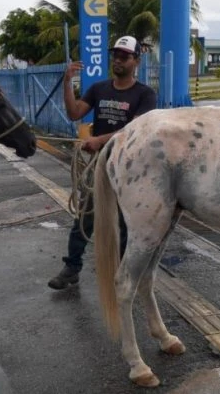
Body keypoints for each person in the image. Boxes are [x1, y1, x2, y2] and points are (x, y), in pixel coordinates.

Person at [48, 36, 157, 290]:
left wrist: (100, 140)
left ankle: (123, 273)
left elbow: (134, 130)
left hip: (129, 169)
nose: (118, 60)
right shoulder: (99, 89)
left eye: (124, 56)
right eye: (115, 55)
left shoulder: (145, 94)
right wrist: (67, 83)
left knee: (125, 222)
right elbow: (74, 112)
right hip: (99, 164)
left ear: (136, 61)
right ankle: (72, 268)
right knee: (85, 217)